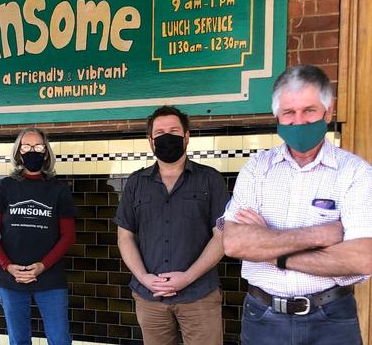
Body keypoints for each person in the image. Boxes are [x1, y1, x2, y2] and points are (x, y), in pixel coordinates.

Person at [221, 64, 372, 345]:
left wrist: (273, 253)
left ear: (329, 111)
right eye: (289, 112)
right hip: (262, 317)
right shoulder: (256, 169)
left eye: (309, 110)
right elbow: (235, 244)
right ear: (277, 114)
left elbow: (361, 258)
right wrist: (320, 235)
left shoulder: (356, 173)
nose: (299, 121)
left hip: (331, 320)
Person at [114, 106, 230, 345]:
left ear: (187, 136)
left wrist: (187, 277)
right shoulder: (136, 183)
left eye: (174, 130)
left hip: (199, 296)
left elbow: (222, 237)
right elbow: (124, 237)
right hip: (150, 297)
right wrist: (144, 277)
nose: (167, 136)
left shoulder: (210, 179)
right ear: (150, 141)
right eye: (160, 132)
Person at [0, 127, 76, 345]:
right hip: (10, 279)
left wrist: (43, 266)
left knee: (60, 339)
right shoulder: (4, 187)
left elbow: (68, 236)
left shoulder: (59, 190)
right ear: (18, 153)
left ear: (46, 152)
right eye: (26, 146)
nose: (32, 150)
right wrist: (7, 266)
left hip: (50, 278)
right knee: (19, 340)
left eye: (38, 146)